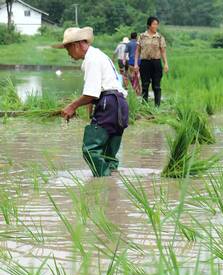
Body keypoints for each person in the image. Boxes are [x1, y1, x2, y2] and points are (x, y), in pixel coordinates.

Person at [53, 27, 129, 177]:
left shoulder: (92, 59)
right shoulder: (99, 55)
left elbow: (90, 93)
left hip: (109, 103)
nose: (69, 54)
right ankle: (112, 191)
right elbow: (94, 93)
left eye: (68, 50)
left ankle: (103, 182)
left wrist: (71, 106)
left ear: (76, 45)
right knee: (108, 157)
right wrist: (91, 113)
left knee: (90, 150)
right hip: (120, 105)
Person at [134, 16, 169, 107]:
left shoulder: (159, 37)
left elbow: (163, 51)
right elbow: (137, 51)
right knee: (145, 85)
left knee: (156, 85)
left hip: (156, 63)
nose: (156, 26)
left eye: (157, 24)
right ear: (149, 25)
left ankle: (157, 106)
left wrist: (165, 64)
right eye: (154, 24)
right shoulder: (142, 36)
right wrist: (135, 64)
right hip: (145, 63)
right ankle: (145, 106)